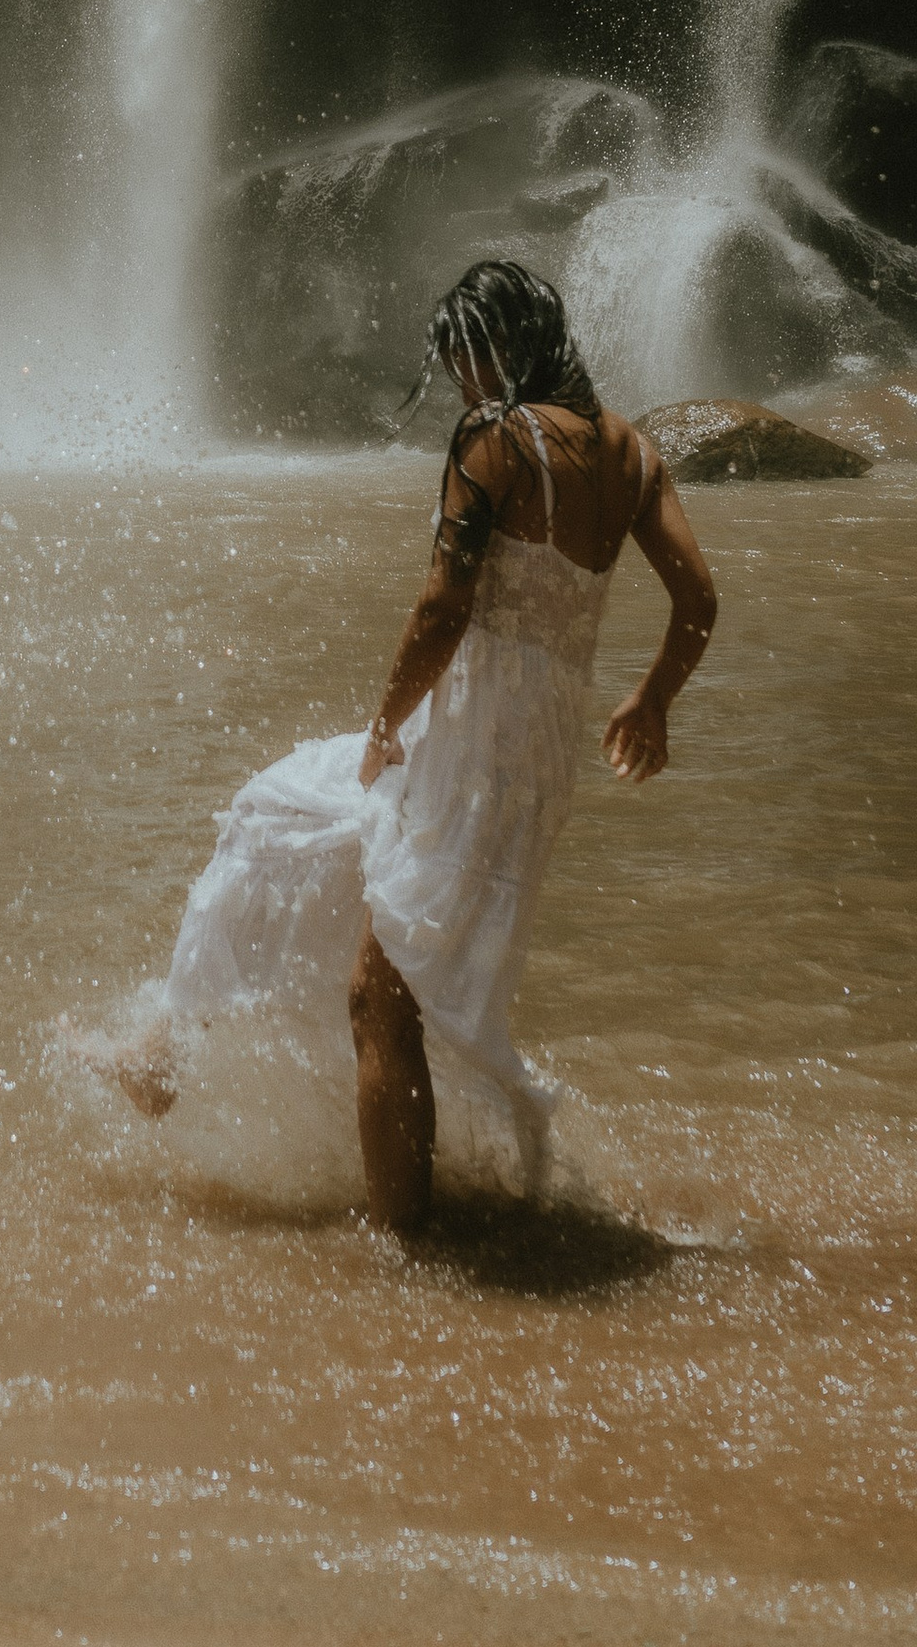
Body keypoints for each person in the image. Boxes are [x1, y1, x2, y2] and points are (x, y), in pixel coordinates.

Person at [81, 258, 716, 1229]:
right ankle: (162, 1057)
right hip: (531, 759)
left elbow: (441, 607)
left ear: (504, 351)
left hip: (461, 746)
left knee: (383, 992)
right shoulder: (632, 455)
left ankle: (402, 1254)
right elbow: (698, 601)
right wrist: (651, 699)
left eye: (466, 359)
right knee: (285, 815)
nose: (462, 382)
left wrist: (384, 724)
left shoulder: (494, 441)